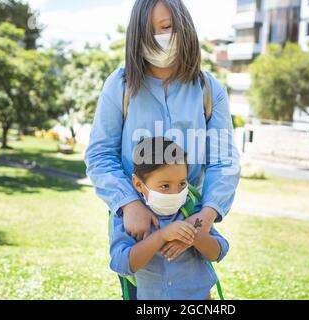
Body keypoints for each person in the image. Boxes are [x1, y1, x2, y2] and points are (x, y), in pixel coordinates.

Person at [84, 0, 240, 300]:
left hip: (191, 219)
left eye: (166, 27)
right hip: (137, 227)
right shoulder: (120, 86)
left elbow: (224, 162)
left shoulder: (210, 90)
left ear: (183, 27)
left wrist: (201, 220)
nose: (160, 37)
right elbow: (100, 155)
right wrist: (129, 204)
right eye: (150, 30)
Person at [110, 137, 229, 300]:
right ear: (138, 184)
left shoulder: (191, 208)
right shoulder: (129, 217)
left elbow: (219, 252)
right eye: (165, 186)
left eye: (182, 184)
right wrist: (161, 236)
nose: (176, 193)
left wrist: (193, 236)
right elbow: (121, 264)